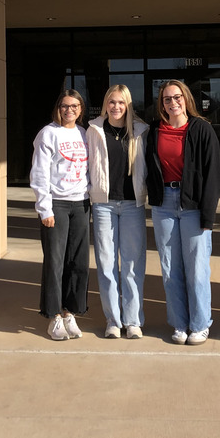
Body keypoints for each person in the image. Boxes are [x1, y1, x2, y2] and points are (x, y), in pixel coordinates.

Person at [145, 80, 220, 345]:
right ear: (161, 104)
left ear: (186, 99)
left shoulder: (202, 130)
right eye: (167, 99)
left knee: (197, 269)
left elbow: (212, 176)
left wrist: (208, 216)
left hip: (193, 206)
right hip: (163, 204)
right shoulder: (154, 130)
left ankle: (200, 324)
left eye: (176, 97)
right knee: (170, 269)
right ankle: (179, 323)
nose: (172, 103)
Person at [87, 85, 148, 339]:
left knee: (133, 265)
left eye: (121, 103)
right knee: (106, 264)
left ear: (128, 105)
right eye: (111, 102)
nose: (116, 107)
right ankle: (113, 319)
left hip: (132, 205)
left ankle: (133, 320)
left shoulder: (141, 131)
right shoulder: (94, 130)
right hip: (103, 205)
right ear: (105, 104)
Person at [30, 88, 90, 341]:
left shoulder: (84, 133)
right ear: (58, 108)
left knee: (77, 262)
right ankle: (53, 316)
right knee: (55, 262)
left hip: (81, 204)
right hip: (57, 204)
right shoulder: (48, 134)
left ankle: (69, 313)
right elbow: (40, 173)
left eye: (75, 106)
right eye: (65, 106)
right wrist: (45, 208)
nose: (69, 110)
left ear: (80, 109)